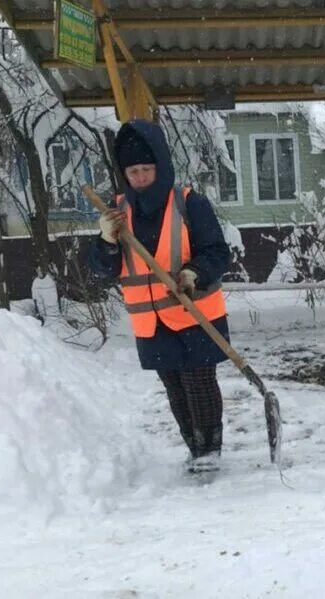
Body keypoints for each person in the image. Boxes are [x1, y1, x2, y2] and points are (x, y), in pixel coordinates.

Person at [88, 120, 231, 473]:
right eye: (133, 171)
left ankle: (209, 450)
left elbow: (216, 252)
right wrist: (106, 240)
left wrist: (193, 273)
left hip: (194, 312)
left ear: (161, 167)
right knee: (174, 387)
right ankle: (193, 445)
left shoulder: (189, 203)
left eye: (146, 169)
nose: (139, 177)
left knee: (199, 382)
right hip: (150, 321)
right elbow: (103, 269)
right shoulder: (117, 212)